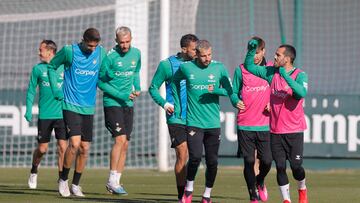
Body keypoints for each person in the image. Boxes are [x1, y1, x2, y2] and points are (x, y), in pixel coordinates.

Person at [172, 40, 238, 203]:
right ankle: (188, 189)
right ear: (197, 54)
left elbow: (230, 90)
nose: (207, 58)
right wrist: (178, 106)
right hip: (194, 122)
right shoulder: (186, 67)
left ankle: (207, 194)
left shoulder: (219, 68)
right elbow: (174, 81)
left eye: (209, 55)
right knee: (194, 157)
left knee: (212, 162)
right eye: (203, 56)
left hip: (213, 124)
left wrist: (216, 90)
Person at [244, 39, 309, 203]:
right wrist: (251, 51)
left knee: (296, 168)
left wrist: (286, 76)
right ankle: (286, 200)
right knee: (280, 167)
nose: (274, 56)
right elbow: (250, 67)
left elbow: (301, 93)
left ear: (287, 59)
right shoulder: (271, 73)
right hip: (275, 131)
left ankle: (302, 188)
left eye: (278, 55)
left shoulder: (300, 75)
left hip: (294, 131)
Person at [48, 28, 107, 197]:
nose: (92, 49)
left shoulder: (101, 53)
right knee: (74, 143)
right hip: (70, 104)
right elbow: (52, 67)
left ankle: (75, 184)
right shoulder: (69, 51)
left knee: (85, 148)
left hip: (88, 107)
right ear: (83, 40)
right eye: (90, 46)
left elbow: (103, 77)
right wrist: (55, 89)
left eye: (95, 46)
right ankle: (63, 179)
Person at [149, 34, 199, 202]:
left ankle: (189, 189)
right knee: (182, 154)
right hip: (176, 117)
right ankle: (182, 196)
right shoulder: (167, 65)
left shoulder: (198, 64)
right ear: (184, 49)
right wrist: (165, 104)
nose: (197, 52)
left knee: (195, 156)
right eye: (194, 50)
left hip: (194, 117)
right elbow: (153, 88)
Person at [97, 26, 141, 195]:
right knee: (120, 139)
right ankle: (111, 180)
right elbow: (101, 82)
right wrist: (121, 95)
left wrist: (137, 86)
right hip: (112, 102)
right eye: (121, 42)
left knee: (126, 143)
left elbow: (136, 71)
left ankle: (116, 181)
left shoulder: (136, 54)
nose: (124, 45)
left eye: (127, 42)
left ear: (131, 39)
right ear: (116, 41)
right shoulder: (110, 57)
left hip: (127, 104)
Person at [232, 36, 273, 203]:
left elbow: (279, 90)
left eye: (258, 52)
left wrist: (272, 103)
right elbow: (233, 92)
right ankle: (252, 196)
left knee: (267, 161)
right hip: (245, 124)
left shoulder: (270, 70)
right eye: (252, 52)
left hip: (265, 125)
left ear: (264, 51)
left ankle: (260, 181)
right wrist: (236, 101)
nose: (255, 56)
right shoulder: (240, 70)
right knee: (248, 160)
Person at [25, 40, 67, 189]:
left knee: (63, 147)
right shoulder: (38, 69)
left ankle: (62, 180)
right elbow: (31, 90)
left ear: (50, 51)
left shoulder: (63, 67)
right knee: (42, 149)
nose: (38, 53)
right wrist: (29, 109)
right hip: (45, 115)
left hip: (62, 114)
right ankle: (34, 170)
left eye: (40, 50)